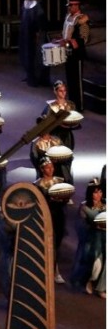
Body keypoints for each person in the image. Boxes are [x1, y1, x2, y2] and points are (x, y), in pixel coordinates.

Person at [35, 156, 68, 284]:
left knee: (57, 244)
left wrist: (63, 199)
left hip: (58, 215)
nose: (50, 169)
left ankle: (54, 268)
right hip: (46, 216)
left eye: (51, 167)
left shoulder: (59, 181)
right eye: (47, 167)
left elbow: (66, 197)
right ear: (42, 169)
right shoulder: (37, 184)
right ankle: (52, 271)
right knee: (48, 243)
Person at [71, 179, 106, 298]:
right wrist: (94, 226)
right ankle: (89, 280)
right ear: (90, 193)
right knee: (96, 265)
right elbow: (80, 225)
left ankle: (101, 288)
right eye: (95, 192)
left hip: (105, 238)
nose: (98, 195)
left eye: (100, 191)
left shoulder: (106, 204)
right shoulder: (84, 207)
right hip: (93, 240)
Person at [55, 0, 89, 112]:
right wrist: (60, 39)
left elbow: (83, 38)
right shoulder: (68, 17)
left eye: (71, 6)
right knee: (70, 79)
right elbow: (65, 33)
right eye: (69, 6)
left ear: (77, 6)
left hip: (77, 54)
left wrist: (69, 42)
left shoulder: (81, 20)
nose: (69, 8)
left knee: (77, 81)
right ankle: (72, 103)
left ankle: (79, 106)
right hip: (68, 52)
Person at [18, 0, 48, 88]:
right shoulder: (25, 2)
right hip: (25, 32)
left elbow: (41, 21)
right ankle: (29, 75)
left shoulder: (38, 5)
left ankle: (37, 78)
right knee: (25, 54)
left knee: (36, 56)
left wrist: (38, 33)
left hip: (34, 33)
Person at [40, 80, 81, 151]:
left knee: (67, 151)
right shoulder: (50, 106)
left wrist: (72, 122)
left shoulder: (70, 105)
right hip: (55, 133)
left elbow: (75, 118)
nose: (63, 93)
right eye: (60, 91)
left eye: (64, 90)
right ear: (55, 92)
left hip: (67, 133)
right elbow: (43, 120)